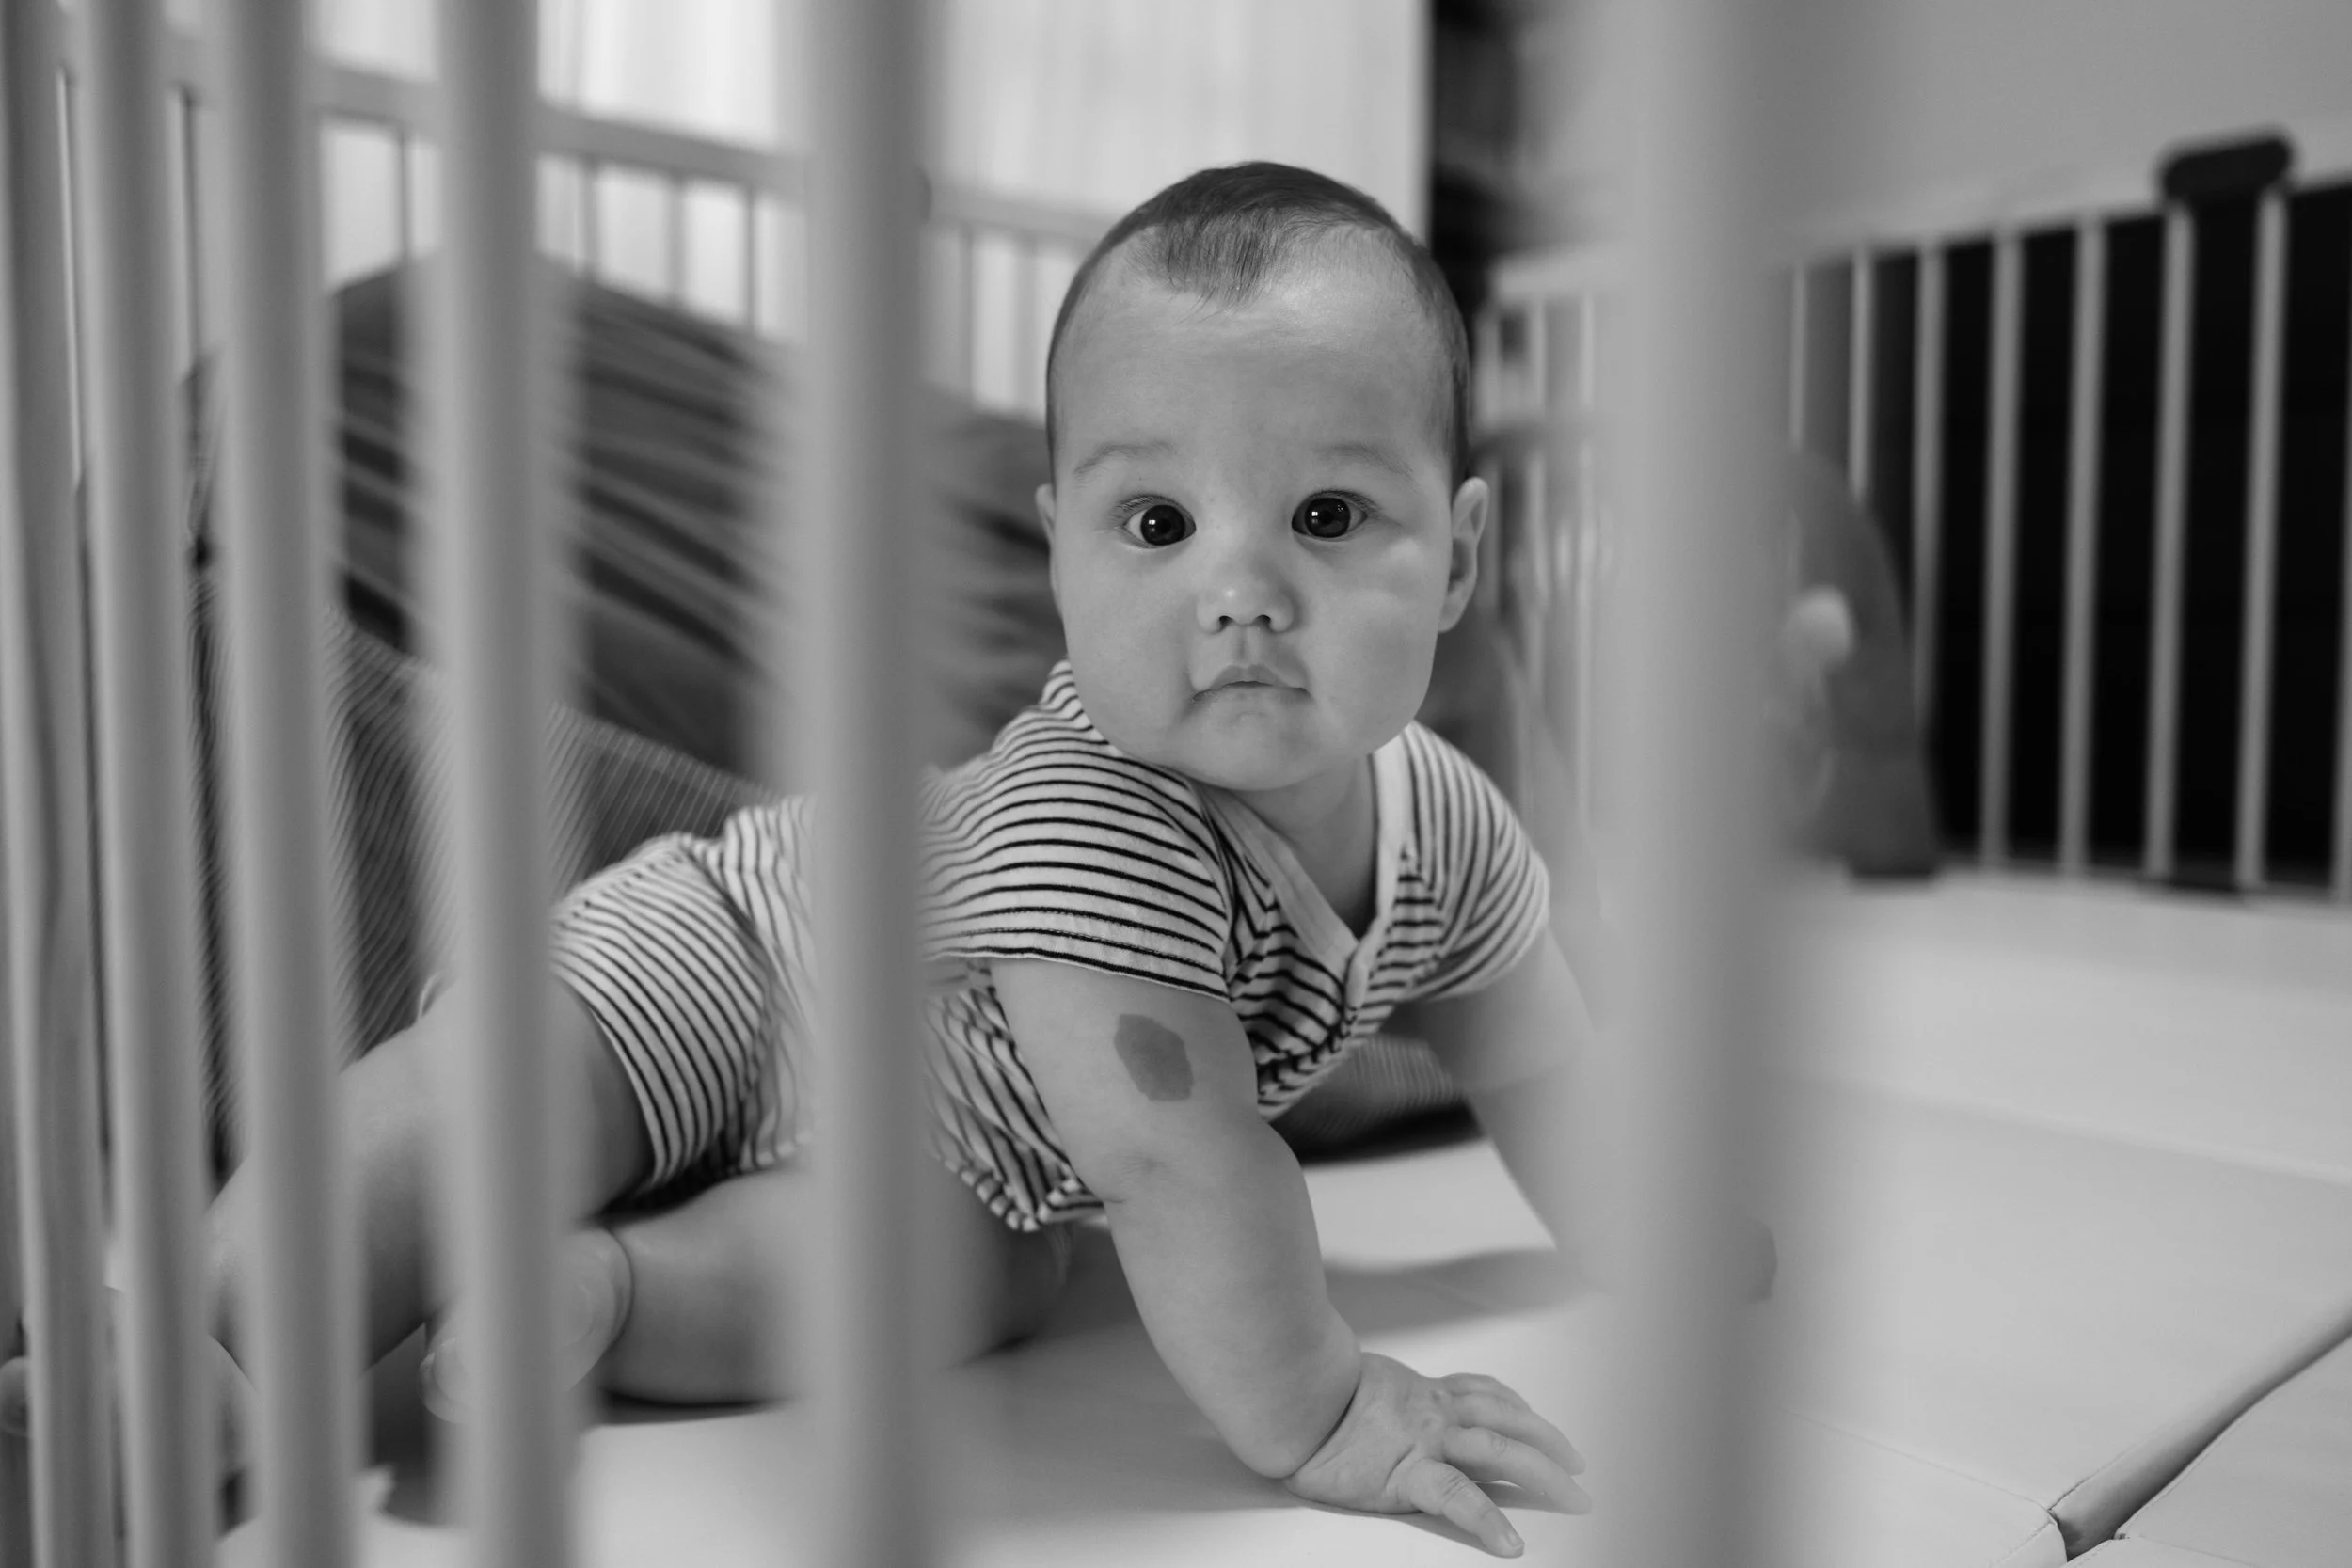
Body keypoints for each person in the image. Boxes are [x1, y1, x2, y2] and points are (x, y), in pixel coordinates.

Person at [72, 162, 1612, 1556]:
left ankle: (611, 1292)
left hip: (965, 1150)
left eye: (1327, 513)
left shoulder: (1452, 825)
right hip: (739, 966)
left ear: (1462, 556)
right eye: (1156, 520)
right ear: (1061, 553)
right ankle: (203, 1342)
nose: (1240, 591)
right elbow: (1175, 1161)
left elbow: (1539, 1052)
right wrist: (1328, 1406)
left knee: (973, 1285)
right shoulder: (1103, 823)